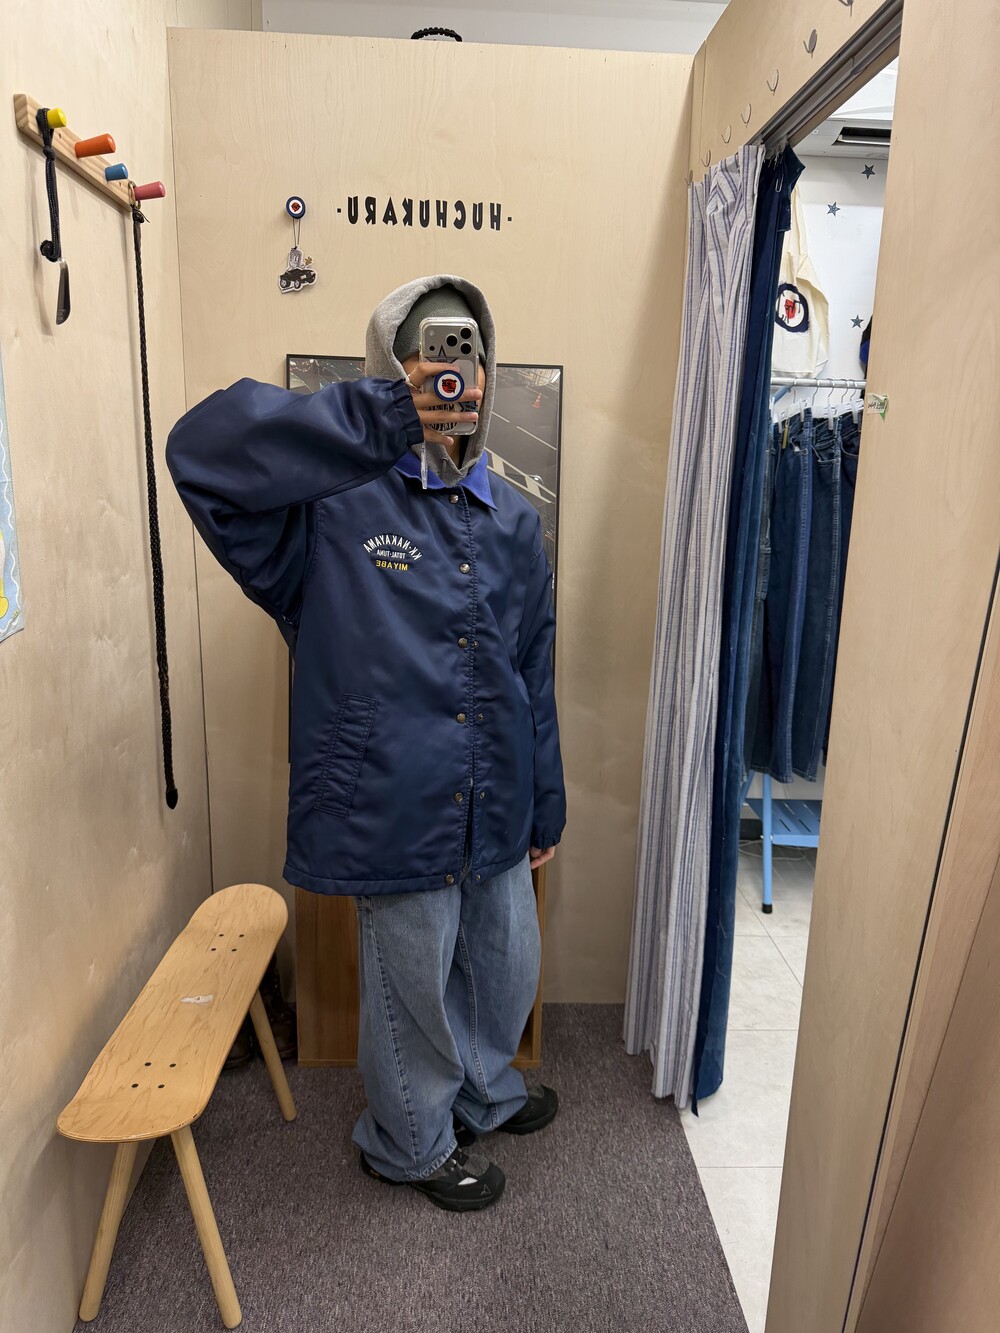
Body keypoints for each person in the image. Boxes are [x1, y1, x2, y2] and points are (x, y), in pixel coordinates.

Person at [166, 274, 566, 1213]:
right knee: (412, 982)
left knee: (505, 962)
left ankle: (483, 1089)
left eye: (468, 352)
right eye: (432, 351)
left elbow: (532, 669)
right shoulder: (328, 505)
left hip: (498, 791)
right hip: (390, 793)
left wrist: (545, 802)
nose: (454, 370)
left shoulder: (514, 518)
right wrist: (383, 416)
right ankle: (408, 1141)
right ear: (395, 363)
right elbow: (201, 452)